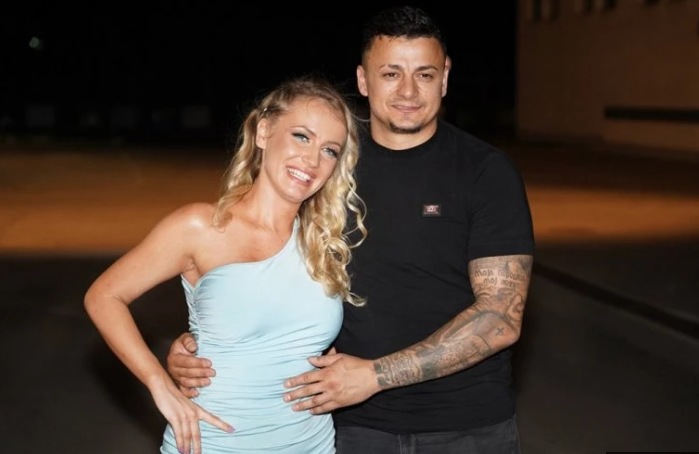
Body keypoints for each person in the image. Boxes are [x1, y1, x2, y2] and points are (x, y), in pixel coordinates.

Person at [166, 5, 535, 454]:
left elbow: (500, 316)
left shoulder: (485, 172)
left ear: (445, 77)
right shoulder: (326, 163)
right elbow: (251, 253)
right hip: (352, 427)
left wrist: (375, 376)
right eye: (390, 74)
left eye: (424, 74)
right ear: (363, 80)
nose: (408, 90)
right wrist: (205, 343)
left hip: (466, 427)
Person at [84, 74, 367, 454]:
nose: (313, 160)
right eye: (302, 136)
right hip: (215, 442)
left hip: (311, 445)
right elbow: (104, 296)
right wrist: (159, 383)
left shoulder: (326, 241)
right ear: (264, 131)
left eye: (330, 150)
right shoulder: (201, 226)